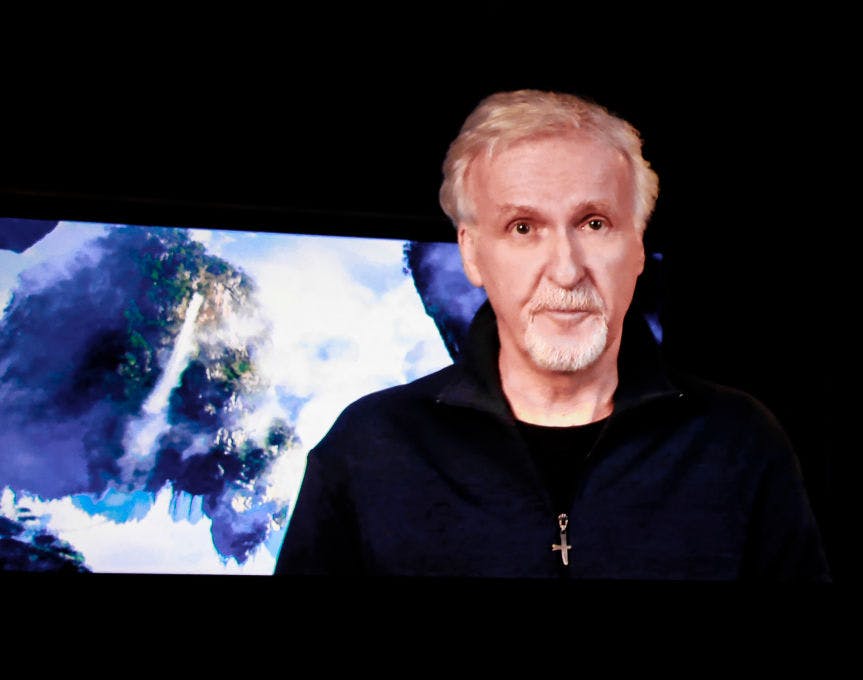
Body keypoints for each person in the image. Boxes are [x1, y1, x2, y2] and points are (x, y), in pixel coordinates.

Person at [275, 90, 830, 580]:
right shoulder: (367, 447)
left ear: (637, 248)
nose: (566, 270)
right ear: (472, 252)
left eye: (595, 223)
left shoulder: (739, 442)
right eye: (523, 228)